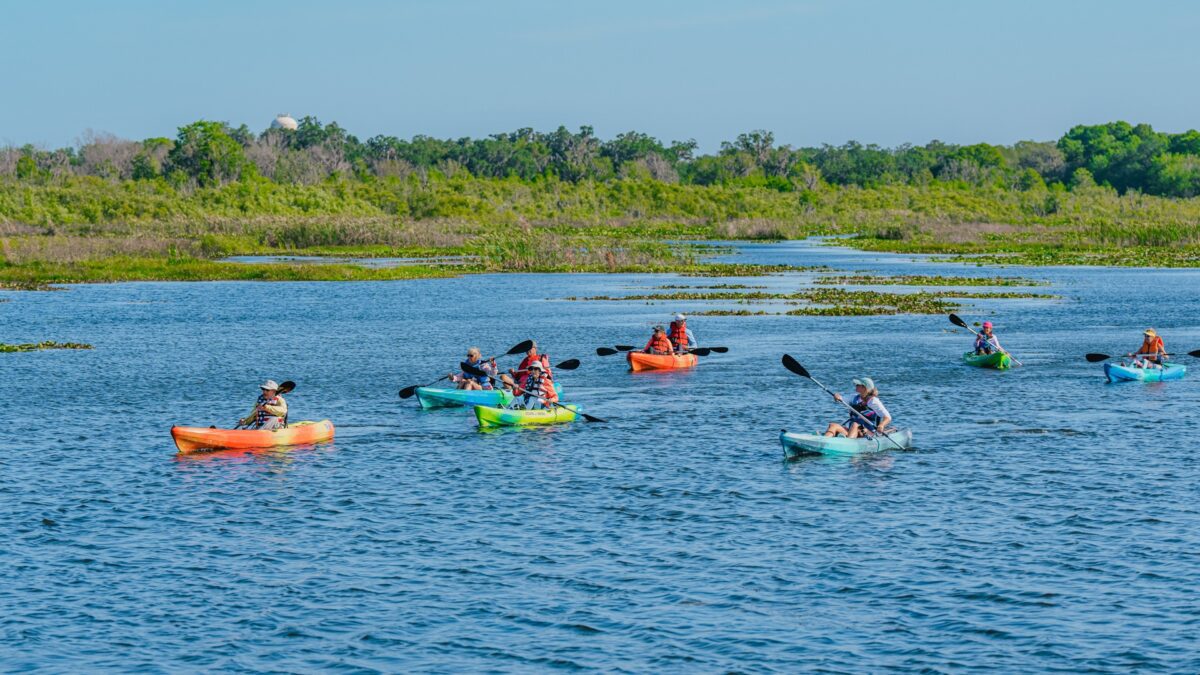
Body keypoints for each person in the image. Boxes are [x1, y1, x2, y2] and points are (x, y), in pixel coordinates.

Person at [823, 377, 892, 440]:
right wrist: (837, 396)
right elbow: (840, 398)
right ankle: (824, 441)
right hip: (852, 430)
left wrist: (881, 425)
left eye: (858, 385)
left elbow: (888, 417)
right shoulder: (853, 397)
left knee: (855, 424)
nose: (856, 385)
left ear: (864, 388)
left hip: (868, 432)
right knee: (833, 425)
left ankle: (848, 444)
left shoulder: (873, 401)